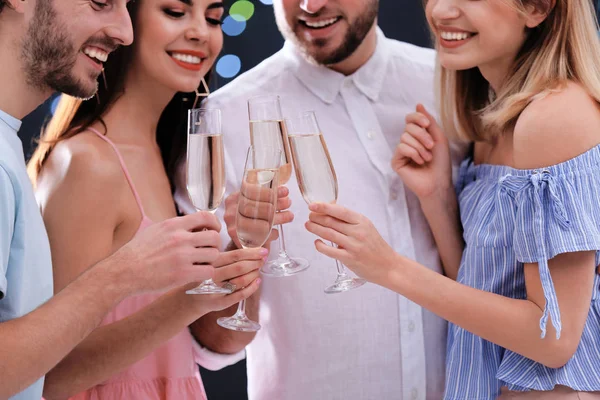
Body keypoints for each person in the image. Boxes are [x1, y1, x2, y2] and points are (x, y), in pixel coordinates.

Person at [306, 0, 600, 398]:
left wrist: (389, 267)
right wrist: (439, 198)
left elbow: (553, 337)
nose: (440, 11)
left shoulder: (554, 116)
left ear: (537, 8)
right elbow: (490, 290)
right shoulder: (495, 119)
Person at [174, 0, 463, 398]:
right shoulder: (226, 117)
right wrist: (242, 248)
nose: (312, 5)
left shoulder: (450, 85)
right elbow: (214, 345)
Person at [25, 0, 291, 398]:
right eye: (174, 11)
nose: (201, 32)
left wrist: (247, 243)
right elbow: (48, 375)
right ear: (125, 21)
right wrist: (189, 301)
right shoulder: (88, 164)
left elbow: (226, 341)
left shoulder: (174, 159)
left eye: (214, 17)